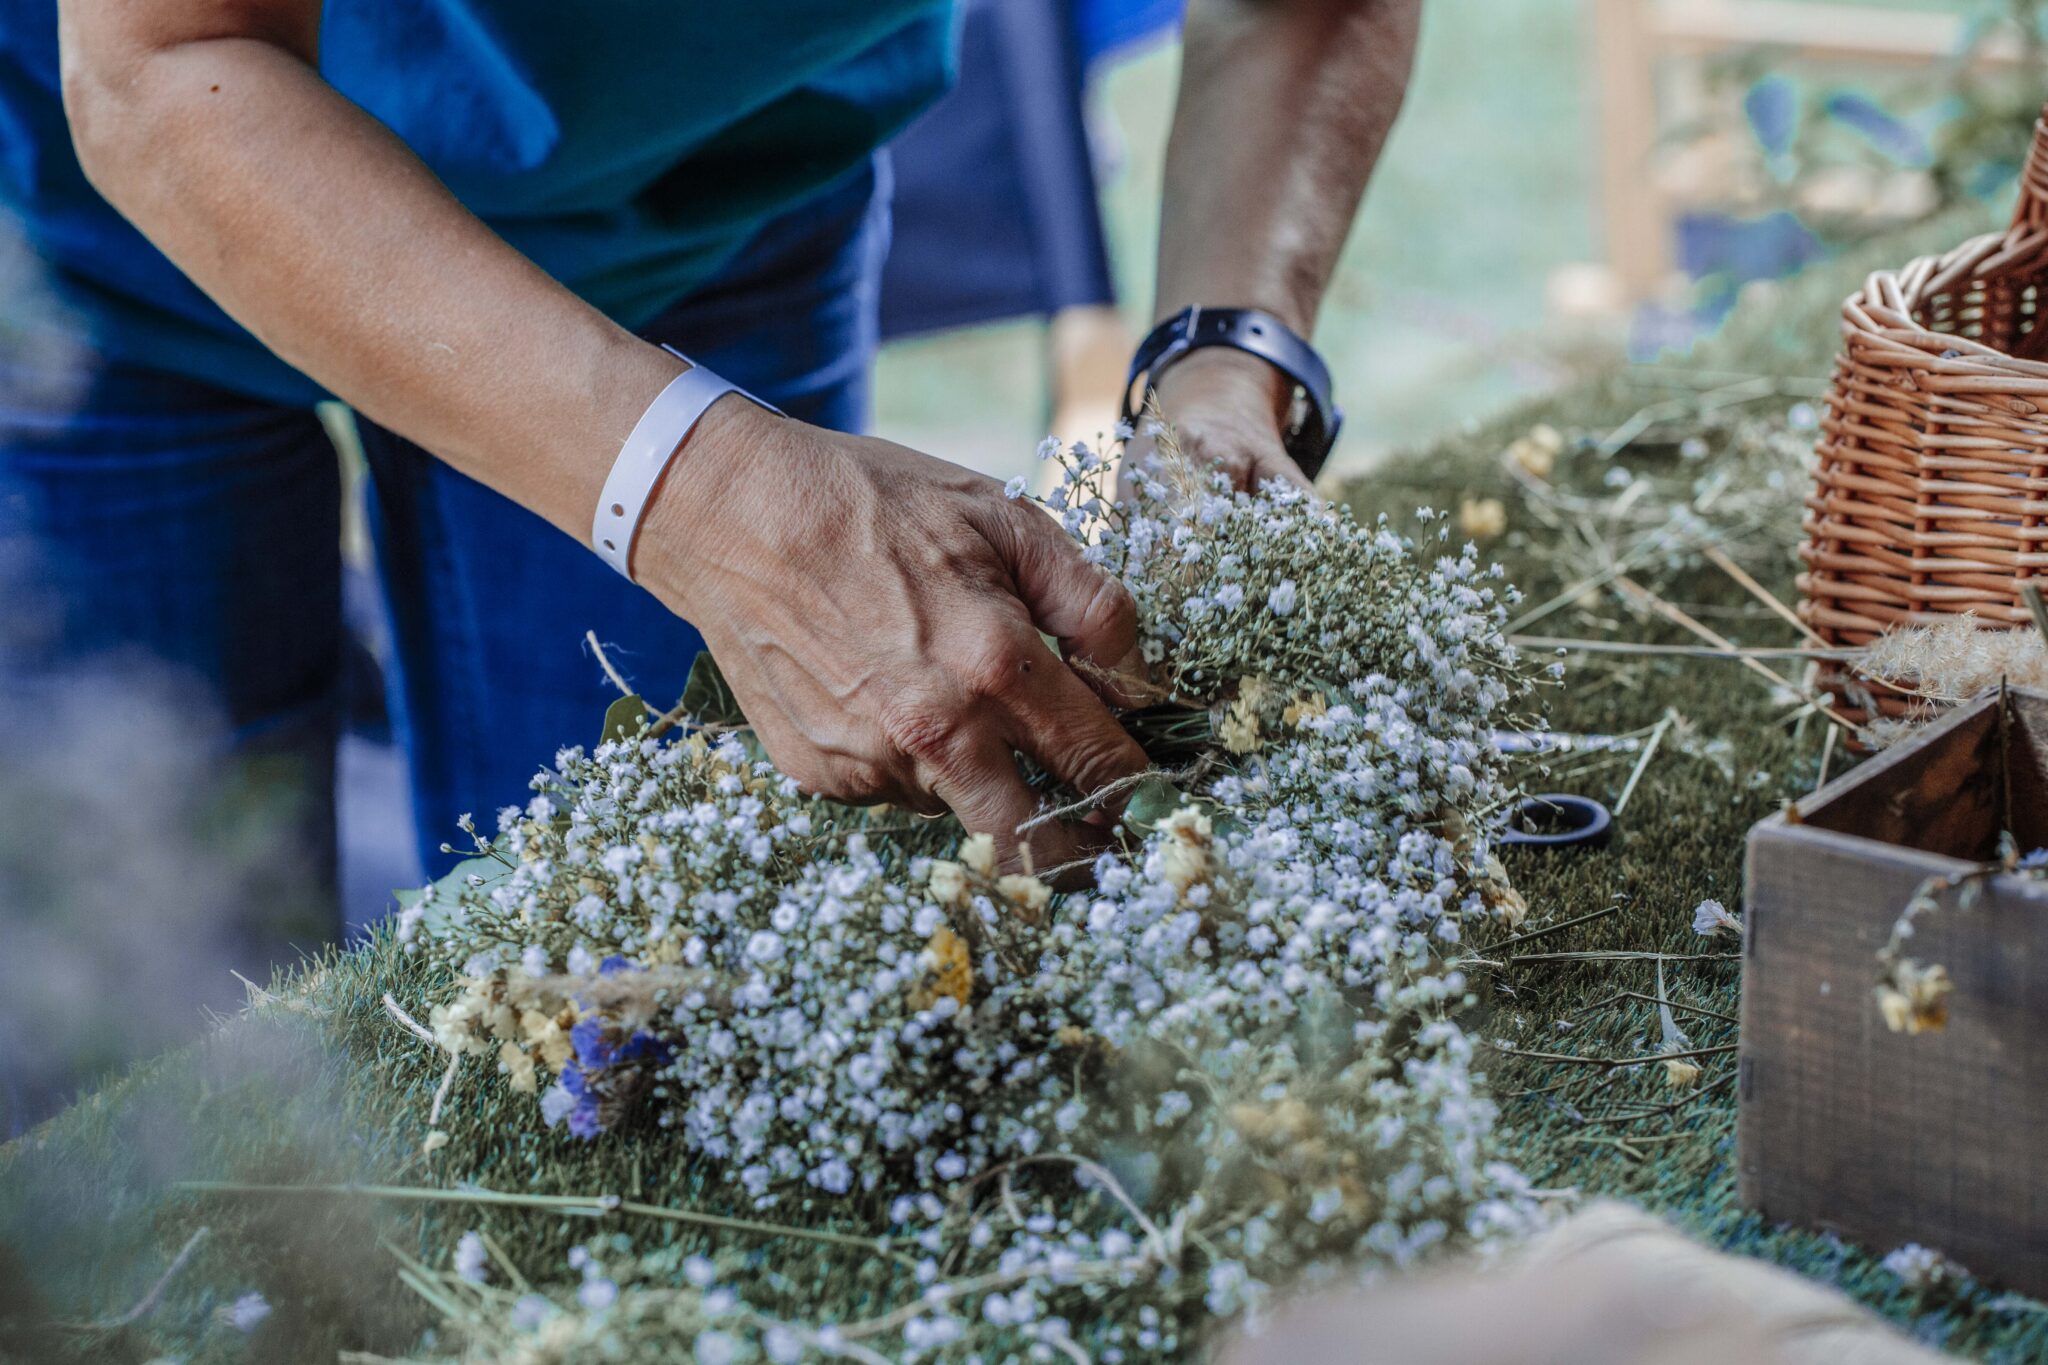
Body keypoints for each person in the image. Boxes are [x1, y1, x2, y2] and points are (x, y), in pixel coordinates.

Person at [3, 0, 1418, 916]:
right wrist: (717, 501)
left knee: (619, 985)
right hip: (96, 235)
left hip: (703, 190)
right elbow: (164, 60)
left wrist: (1226, 358)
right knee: (167, 1024)